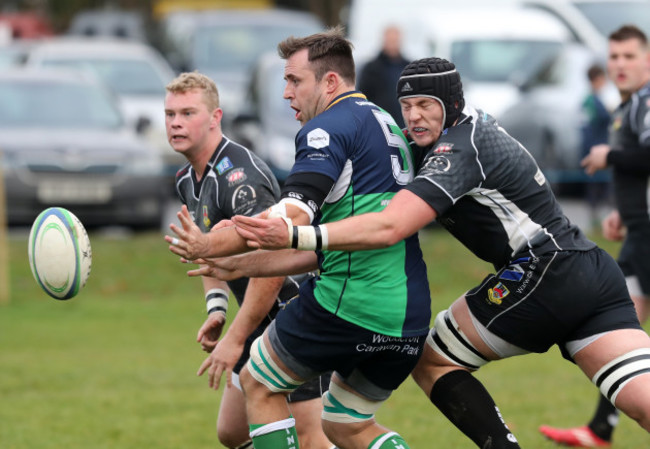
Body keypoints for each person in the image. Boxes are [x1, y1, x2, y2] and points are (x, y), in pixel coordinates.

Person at [219, 56, 650, 449]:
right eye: (406, 106)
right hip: (591, 267)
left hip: (543, 271)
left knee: (431, 360)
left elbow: (391, 226)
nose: (414, 116)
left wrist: (297, 234)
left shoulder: (458, 147)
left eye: (425, 104)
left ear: (451, 102)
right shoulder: (465, 130)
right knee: (640, 400)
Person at [166, 28, 432, 449]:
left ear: (329, 82)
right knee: (347, 425)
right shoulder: (384, 123)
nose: (286, 92)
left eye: (294, 80)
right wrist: (231, 265)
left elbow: (290, 217)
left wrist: (212, 244)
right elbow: (314, 247)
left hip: (349, 304)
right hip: (409, 312)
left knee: (257, 380)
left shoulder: (327, 129)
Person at [163, 71, 332, 449]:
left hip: (293, 314)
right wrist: (217, 309)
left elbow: (273, 261)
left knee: (310, 437)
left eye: (188, 113)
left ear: (214, 117)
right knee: (233, 432)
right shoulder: (187, 179)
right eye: (170, 114)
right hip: (254, 318)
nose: (176, 122)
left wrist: (235, 339)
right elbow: (205, 248)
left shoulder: (238, 179)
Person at [539, 24, 650, 448]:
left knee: (621, 329)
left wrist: (610, 155)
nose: (619, 64)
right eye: (614, 56)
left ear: (647, 60)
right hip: (639, 233)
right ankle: (601, 429)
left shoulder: (645, 102)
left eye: (628, 56)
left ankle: (601, 429)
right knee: (623, 331)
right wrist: (627, 210)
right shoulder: (629, 105)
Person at [357, 25, 410, 128]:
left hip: (403, 124)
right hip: (378, 124)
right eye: (390, 40)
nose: (393, 44)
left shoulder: (408, 67)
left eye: (395, 40)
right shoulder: (371, 68)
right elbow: (362, 98)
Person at [580, 63, 612, 223]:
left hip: (594, 147)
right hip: (596, 148)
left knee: (599, 184)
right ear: (598, 79)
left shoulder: (589, 100)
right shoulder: (592, 102)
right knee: (597, 184)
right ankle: (597, 219)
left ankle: (598, 219)